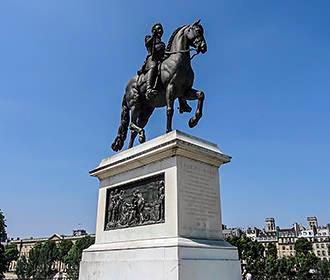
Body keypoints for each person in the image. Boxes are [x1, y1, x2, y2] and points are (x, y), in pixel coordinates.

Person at [139, 23, 192, 113]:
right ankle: (149, 88)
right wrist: (153, 36)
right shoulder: (149, 37)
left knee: (174, 74)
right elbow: (147, 44)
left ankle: (182, 103)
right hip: (152, 59)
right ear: (154, 30)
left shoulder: (162, 44)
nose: (160, 31)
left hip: (161, 61)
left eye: (161, 29)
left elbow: (164, 54)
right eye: (158, 29)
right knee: (154, 66)